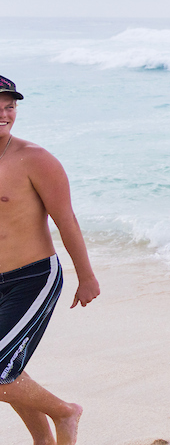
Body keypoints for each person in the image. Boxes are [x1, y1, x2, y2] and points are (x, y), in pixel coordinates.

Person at [0, 76, 99, 445]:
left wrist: (86, 277)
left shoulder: (34, 159)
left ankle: (65, 412)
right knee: (9, 365)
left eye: (10, 107)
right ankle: (43, 440)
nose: (4, 114)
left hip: (32, 278)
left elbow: (66, 219)